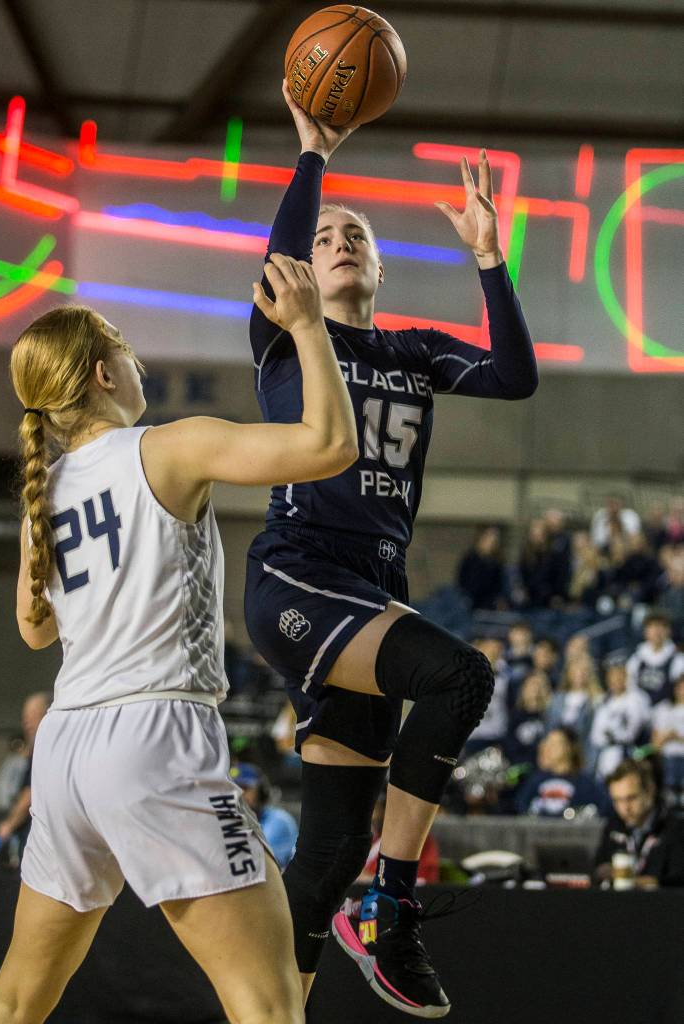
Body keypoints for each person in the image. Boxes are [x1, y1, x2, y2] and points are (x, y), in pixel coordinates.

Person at [0, 255, 357, 1024]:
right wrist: (310, 327)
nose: (136, 359)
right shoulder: (168, 447)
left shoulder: (47, 491)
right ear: (105, 375)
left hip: (68, 746)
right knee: (269, 1001)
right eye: (124, 347)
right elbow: (329, 448)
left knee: (16, 996)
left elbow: (34, 626)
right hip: (154, 736)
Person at [242, 80, 538, 1018]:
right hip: (298, 573)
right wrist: (314, 156)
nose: (337, 243)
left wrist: (491, 260)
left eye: (355, 236)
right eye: (326, 237)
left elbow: (515, 377)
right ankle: (394, 901)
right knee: (461, 676)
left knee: (324, 854)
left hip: (372, 589)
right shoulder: (288, 338)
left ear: (381, 269)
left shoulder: (410, 351)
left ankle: (279, 1005)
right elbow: (284, 256)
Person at [594, 759, 684, 887]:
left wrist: (636, 882)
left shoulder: (675, 829)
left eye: (631, 798)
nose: (624, 808)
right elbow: (597, 868)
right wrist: (602, 872)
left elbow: (678, 881)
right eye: (617, 800)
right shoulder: (613, 826)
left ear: (650, 790)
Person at [0, 691, 51, 864]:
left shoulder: (44, 747)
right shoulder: (36, 749)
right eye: (25, 717)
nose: (27, 722)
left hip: (38, 838)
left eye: (33, 715)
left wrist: (9, 824)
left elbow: (30, 793)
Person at [515, 727, 609, 817]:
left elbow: (601, 807)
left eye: (554, 744)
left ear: (569, 747)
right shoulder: (535, 780)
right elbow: (521, 808)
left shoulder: (585, 783)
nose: (548, 748)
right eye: (547, 743)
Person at [358, 789, 440, 887]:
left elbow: (422, 884)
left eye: (375, 808)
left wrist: (365, 879)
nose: (372, 816)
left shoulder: (418, 840)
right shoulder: (373, 838)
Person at [589, 660, 651, 779]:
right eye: (611, 676)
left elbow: (631, 732)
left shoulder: (636, 699)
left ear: (626, 677)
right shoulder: (604, 701)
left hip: (628, 753)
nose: (615, 680)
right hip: (604, 755)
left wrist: (612, 734)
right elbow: (596, 736)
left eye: (619, 676)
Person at [230, 763, 299, 869]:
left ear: (262, 791)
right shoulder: (233, 822)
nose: (239, 795)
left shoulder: (279, 821)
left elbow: (258, 865)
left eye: (245, 788)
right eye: (234, 789)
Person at [545, 654, 604, 764]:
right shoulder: (557, 699)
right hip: (557, 752)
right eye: (576, 670)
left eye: (584, 671)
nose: (580, 674)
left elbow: (594, 736)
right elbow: (549, 728)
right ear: (568, 673)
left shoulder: (597, 700)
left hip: (583, 753)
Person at [626, 612, 684, 705]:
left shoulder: (678, 660)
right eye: (652, 626)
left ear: (668, 631)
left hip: (667, 712)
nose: (657, 631)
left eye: (661, 626)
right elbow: (630, 687)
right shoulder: (636, 658)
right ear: (645, 631)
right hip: (641, 710)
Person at [504, 671, 553, 767]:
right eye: (531, 686)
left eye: (538, 686)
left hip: (541, 767)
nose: (535, 690)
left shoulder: (549, 716)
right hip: (517, 765)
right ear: (524, 689)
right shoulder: (515, 715)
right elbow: (509, 743)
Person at [456, 525, 506, 610]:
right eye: (489, 536)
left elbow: (498, 586)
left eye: (494, 537)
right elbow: (462, 581)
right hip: (469, 600)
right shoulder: (470, 558)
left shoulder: (496, 562)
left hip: (488, 603)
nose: (491, 540)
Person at [651, 672, 684, 799]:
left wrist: (676, 737)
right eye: (680, 687)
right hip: (667, 761)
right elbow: (655, 744)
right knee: (668, 797)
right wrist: (666, 737)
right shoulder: (664, 709)